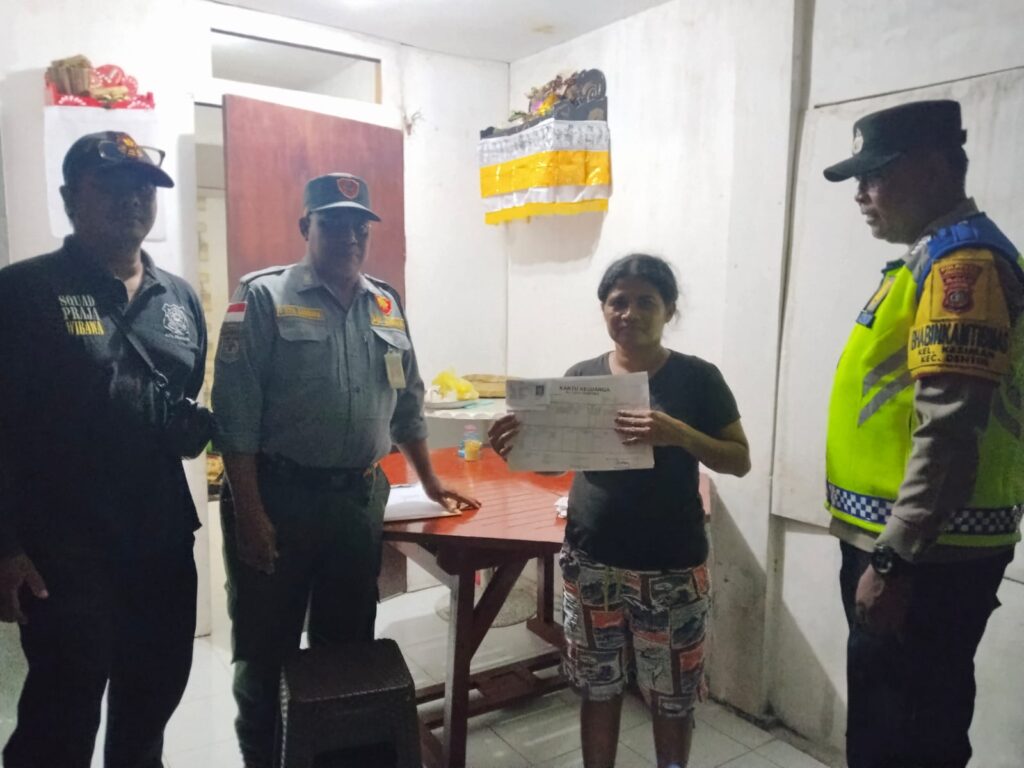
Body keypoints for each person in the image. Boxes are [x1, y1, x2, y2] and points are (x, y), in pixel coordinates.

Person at [211, 172, 478, 768]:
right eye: (333, 222)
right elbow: (235, 417)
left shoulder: (385, 303)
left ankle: (333, 757)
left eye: (360, 226)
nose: (350, 236)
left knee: (348, 645)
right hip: (277, 496)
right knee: (265, 649)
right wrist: (250, 513)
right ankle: (264, 760)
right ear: (305, 226)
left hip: (356, 500)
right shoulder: (262, 296)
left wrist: (430, 482)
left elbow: (407, 403)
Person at [822, 100, 1024, 768]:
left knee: (900, 740)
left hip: (925, 557)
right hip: (917, 547)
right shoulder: (930, 259)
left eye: (875, 175)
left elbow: (949, 428)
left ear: (934, 169)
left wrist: (895, 560)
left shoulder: (962, 267)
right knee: (899, 725)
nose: (861, 194)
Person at [489, 254, 750, 768]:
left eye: (646, 301)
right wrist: (518, 449)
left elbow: (738, 460)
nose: (630, 313)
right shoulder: (581, 377)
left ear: (669, 309)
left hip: (670, 569)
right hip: (591, 562)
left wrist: (677, 433)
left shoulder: (698, 378)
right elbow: (557, 464)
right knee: (596, 688)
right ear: (604, 309)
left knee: (671, 697)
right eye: (618, 302)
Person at [0, 131, 207, 768]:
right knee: (58, 725)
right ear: (70, 199)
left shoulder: (178, 298)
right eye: (112, 186)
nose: (132, 199)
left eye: (143, 187)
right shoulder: (22, 292)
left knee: (148, 711)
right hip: (64, 556)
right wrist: (4, 547)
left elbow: (181, 396)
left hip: (161, 547)